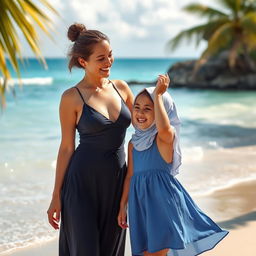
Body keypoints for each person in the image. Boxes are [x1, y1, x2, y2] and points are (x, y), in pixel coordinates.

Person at [47, 23, 134, 256]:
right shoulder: (71, 98)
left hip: (116, 184)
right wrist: (56, 196)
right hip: (81, 185)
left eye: (110, 55)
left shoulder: (121, 88)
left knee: (111, 250)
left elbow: (144, 127)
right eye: (101, 59)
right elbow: (66, 148)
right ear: (83, 62)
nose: (108, 63)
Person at [118, 74, 228, 256]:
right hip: (139, 205)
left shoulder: (164, 139)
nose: (140, 113)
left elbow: (164, 128)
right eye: (136, 107)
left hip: (162, 204)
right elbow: (130, 175)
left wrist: (159, 96)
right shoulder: (133, 144)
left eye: (148, 108)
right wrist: (123, 205)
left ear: (162, 111)